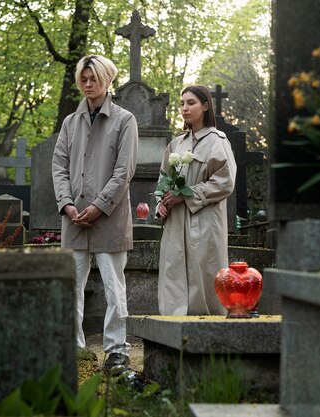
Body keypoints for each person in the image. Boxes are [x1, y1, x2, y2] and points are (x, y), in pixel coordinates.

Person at [52, 55, 138, 370]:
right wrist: (67, 203)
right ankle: (75, 350)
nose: (88, 85)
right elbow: (58, 165)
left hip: (110, 217)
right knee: (71, 285)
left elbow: (124, 171)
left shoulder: (125, 120)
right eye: (83, 79)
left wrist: (98, 206)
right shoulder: (70, 123)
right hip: (73, 217)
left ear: (107, 79)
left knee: (115, 287)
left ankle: (116, 350)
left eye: (94, 79)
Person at [156, 84, 237, 316]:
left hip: (204, 223)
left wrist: (187, 194)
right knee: (173, 271)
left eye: (190, 103)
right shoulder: (176, 144)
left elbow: (225, 182)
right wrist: (161, 203)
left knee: (204, 272)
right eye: (182, 103)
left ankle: (208, 325)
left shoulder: (217, 141)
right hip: (175, 224)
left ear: (205, 106)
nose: (184, 108)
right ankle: (172, 324)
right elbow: (163, 180)